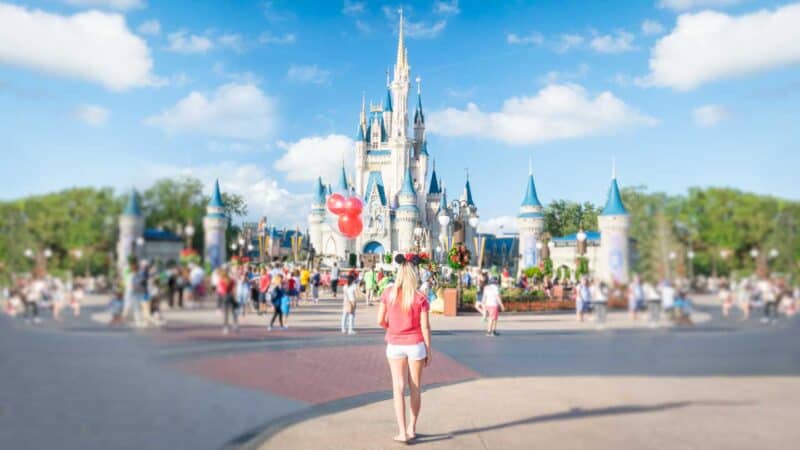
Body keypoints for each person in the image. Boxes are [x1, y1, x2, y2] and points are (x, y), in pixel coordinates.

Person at [376, 254, 431, 444]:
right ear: (414, 275)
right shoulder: (420, 298)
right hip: (416, 344)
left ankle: (401, 432)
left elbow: (379, 320)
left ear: (398, 273)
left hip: (395, 344)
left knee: (398, 388)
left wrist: (391, 328)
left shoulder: (388, 293)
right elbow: (425, 327)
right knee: (415, 388)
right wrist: (428, 350)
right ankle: (412, 428)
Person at [218, 270, 238, 334]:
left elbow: (221, 291)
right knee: (234, 311)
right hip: (231, 296)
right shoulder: (231, 280)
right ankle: (235, 325)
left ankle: (226, 327)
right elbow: (234, 288)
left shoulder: (221, 281)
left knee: (226, 313)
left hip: (225, 297)